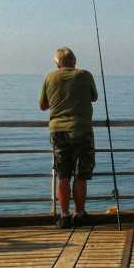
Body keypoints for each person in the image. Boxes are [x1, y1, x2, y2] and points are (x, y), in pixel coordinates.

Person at [39, 46, 98, 229]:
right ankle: (80, 214)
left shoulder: (50, 77)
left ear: (57, 63)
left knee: (63, 175)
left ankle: (64, 216)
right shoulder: (85, 75)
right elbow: (94, 97)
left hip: (58, 131)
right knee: (80, 175)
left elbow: (42, 105)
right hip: (82, 130)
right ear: (75, 61)